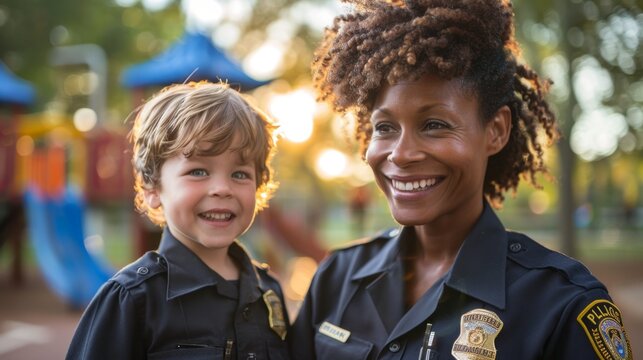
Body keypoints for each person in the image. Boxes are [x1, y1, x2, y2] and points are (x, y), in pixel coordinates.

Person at [289, 1, 632, 359]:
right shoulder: (335, 279)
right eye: (385, 128)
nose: (401, 154)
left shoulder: (562, 306)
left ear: (496, 131)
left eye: (434, 125)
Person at [67, 81, 290, 359]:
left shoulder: (268, 292)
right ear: (153, 190)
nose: (222, 188)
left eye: (240, 174)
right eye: (198, 171)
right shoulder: (132, 299)